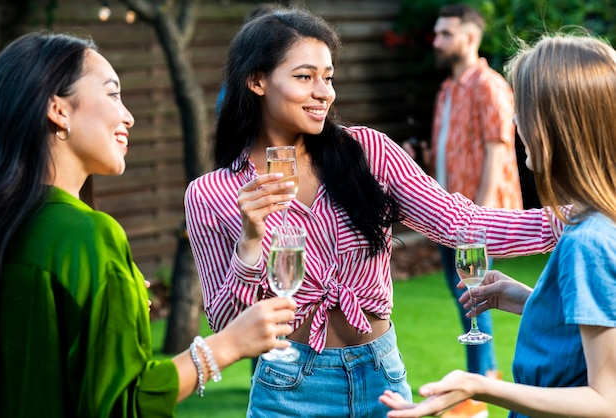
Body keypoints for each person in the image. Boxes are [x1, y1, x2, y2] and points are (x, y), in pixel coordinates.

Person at [184, 7, 563, 418]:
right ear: (257, 81)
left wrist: (570, 220)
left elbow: (460, 222)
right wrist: (251, 241)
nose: (324, 92)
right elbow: (224, 324)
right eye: (304, 77)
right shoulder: (211, 193)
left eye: (327, 77)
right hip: (288, 389)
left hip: (382, 376)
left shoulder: (370, 152)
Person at [0, 31, 297, 417]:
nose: (128, 116)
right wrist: (228, 344)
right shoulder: (87, 236)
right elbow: (123, 404)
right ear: (58, 109)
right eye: (113, 94)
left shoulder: (8, 230)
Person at [379, 33, 616, 418]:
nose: (514, 122)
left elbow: (606, 401)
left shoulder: (588, 239)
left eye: (522, 109)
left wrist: (478, 385)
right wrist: (533, 301)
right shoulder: (600, 220)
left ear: (554, 127)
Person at [424, 5, 522, 416]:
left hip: (477, 220)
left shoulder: (489, 86)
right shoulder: (448, 90)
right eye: (437, 33)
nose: (437, 41)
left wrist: (476, 221)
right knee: (467, 301)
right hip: (450, 219)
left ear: (469, 37)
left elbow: (498, 150)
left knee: (477, 301)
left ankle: (476, 397)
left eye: (445, 33)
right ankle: (486, 380)